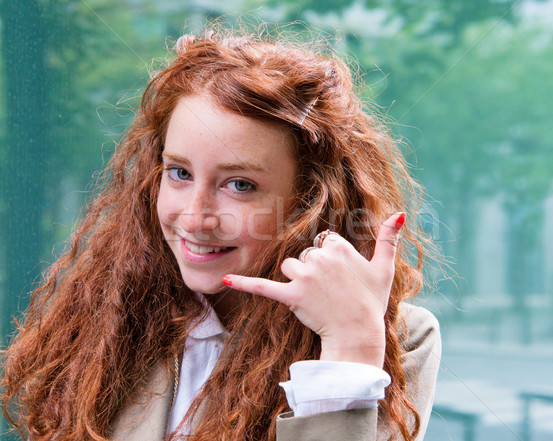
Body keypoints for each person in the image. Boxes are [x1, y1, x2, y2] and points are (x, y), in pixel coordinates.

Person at [1, 27, 441, 441]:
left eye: (240, 185)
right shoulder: (117, 308)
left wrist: (349, 346)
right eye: (179, 173)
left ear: (311, 202)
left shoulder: (395, 339)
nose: (194, 218)